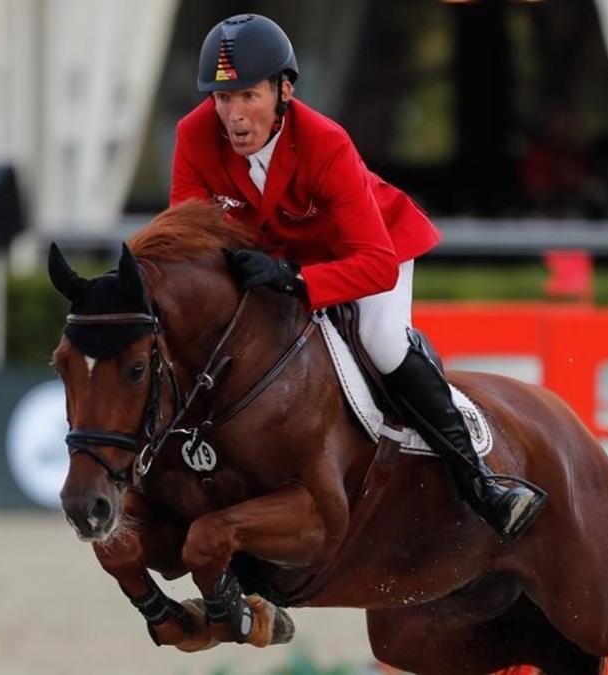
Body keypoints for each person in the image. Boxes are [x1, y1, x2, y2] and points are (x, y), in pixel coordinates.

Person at [170, 14, 545, 540]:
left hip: (371, 251)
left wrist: (295, 280)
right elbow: (189, 243)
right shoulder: (194, 135)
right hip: (277, 262)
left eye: (247, 96)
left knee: (381, 339)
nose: (232, 116)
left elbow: (374, 263)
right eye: (221, 99)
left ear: (283, 90)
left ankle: (481, 484)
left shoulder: (325, 142)